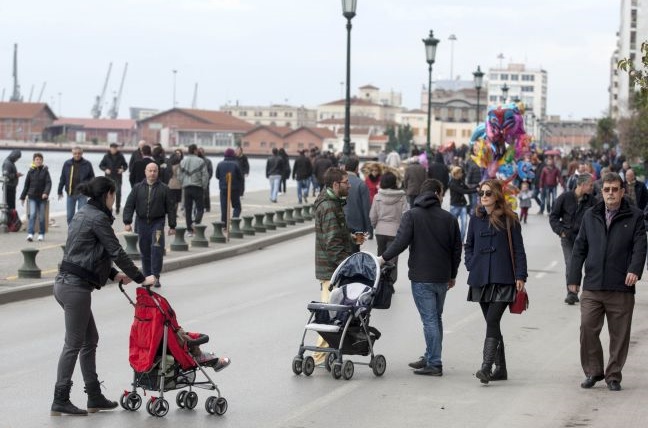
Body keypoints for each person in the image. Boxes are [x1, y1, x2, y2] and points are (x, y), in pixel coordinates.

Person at [52, 176, 156, 416]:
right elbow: (116, 251)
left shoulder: (83, 212)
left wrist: (114, 275)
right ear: (108, 194)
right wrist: (141, 278)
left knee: (90, 340)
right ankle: (60, 398)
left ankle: (94, 395)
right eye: (114, 195)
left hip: (66, 283)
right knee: (74, 344)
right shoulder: (98, 218)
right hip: (75, 288)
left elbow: (84, 252)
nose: (114, 199)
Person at [568, 172, 647, 392]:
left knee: (619, 335)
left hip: (621, 286)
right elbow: (579, 247)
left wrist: (634, 270)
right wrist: (573, 278)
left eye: (615, 189)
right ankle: (593, 371)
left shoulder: (635, 216)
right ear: (601, 191)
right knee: (587, 328)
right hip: (593, 284)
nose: (610, 193)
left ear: (622, 191)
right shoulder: (590, 215)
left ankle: (613, 375)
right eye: (606, 189)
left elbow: (641, 247)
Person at [380, 179, 462, 376]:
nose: (443, 197)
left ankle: (434, 363)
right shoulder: (449, 218)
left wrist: (382, 258)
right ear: (436, 194)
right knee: (435, 318)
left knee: (430, 320)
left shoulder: (412, 216)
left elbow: (400, 242)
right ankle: (430, 355)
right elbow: (456, 250)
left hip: (421, 277)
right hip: (442, 277)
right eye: (442, 193)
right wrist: (452, 275)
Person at [464, 179, 527, 384]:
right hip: (481, 278)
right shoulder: (475, 218)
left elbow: (518, 250)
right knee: (493, 323)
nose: (483, 197)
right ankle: (501, 369)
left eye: (488, 193)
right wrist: (471, 263)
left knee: (492, 320)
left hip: (503, 278)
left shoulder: (511, 219)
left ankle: (486, 367)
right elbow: (469, 245)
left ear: (497, 196)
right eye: (481, 193)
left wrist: (520, 276)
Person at [313, 167, 365, 365]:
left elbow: (334, 236)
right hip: (331, 270)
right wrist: (348, 265)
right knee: (330, 314)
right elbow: (332, 243)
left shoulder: (333, 203)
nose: (349, 185)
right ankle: (319, 356)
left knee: (331, 312)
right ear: (335, 184)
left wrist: (351, 238)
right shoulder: (328, 207)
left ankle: (321, 355)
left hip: (330, 267)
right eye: (346, 182)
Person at [123, 162, 176, 288]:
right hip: (142, 224)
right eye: (150, 171)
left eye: (155, 171)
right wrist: (127, 222)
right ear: (145, 172)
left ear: (158, 172)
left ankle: (155, 276)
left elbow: (171, 208)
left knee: (157, 249)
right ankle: (147, 277)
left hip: (157, 224)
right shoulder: (137, 188)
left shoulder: (164, 188)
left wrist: (172, 226)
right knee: (145, 250)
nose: (152, 173)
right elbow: (129, 205)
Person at [549, 173, 595, 305]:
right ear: (582, 185)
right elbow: (553, 217)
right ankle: (572, 293)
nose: (592, 187)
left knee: (589, 266)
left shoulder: (592, 200)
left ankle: (588, 293)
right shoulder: (565, 197)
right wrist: (561, 231)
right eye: (590, 185)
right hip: (568, 238)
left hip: (585, 239)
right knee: (571, 264)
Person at [369, 171, 408, 285]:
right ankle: (390, 282)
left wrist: (376, 226)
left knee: (380, 257)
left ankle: (379, 281)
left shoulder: (377, 197)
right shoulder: (402, 197)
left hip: (380, 231)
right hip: (395, 232)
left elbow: (373, 215)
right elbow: (405, 215)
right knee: (393, 258)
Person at [58, 147, 95, 225]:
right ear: (72, 153)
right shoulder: (67, 163)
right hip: (70, 193)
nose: (77, 155)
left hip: (82, 193)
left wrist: (89, 189)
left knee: (82, 215)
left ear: (82, 153)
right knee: (69, 216)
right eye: (75, 153)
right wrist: (59, 190)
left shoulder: (87, 164)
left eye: (79, 153)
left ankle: (80, 233)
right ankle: (71, 233)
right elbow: (63, 177)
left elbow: (92, 178)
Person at [19, 152, 51, 241]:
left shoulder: (45, 171)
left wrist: (46, 193)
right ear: (34, 161)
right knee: (32, 215)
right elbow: (26, 185)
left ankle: (41, 234)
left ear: (42, 161)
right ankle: (30, 234)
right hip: (32, 197)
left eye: (40, 160)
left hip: (42, 198)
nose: (38, 161)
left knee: (41, 217)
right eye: (37, 159)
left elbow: (49, 183)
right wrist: (22, 197)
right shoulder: (30, 171)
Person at [179, 144, 209, 237]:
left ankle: (189, 230)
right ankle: (196, 223)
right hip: (198, 187)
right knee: (200, 208)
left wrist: (183, 184)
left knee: (188, 209)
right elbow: (205, 175)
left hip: (187, 187)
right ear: (195, 151)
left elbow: (179, 175)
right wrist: (204, 186)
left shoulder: (183, 161)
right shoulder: (201, 161)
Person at [343, 157, 372, 252]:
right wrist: (369, 228)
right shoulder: (361, 184)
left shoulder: (338, 183)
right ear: (356, 168)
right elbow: (366, 208)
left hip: (341, 224)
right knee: (355, 252)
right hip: (358, 227)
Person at [215, 148, 244, 222]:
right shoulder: (236, 164)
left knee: (224, 207)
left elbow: (217, 176)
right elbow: (240, 177)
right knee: (237, 207)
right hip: (234, 189)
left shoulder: (220, 164)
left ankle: (224, 224)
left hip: (223, 188)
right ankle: (234, 221)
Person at [99, 143, 128, 214]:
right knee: (108, 194)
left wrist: (122, 170)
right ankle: (109, 208)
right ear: (110, 148)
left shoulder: (121, 156)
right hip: (108, 178)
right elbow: (101, 165)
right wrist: (105, 169)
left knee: (118, 193)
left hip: (118, 177)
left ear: (117, 149)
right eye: (112, 148)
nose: (114, 149)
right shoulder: (106, 156)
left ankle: (117, 208)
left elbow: (125, 165)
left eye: (115, 148)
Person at [448, 166, 476, 242]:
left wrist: (476, 187)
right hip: (454, 206)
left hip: (463, 205)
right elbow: (463, 191)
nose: (462, 174)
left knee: (464, 224)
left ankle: (461, 241)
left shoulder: (460, 181)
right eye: (460, 173)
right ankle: (451, 240)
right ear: (456, 174)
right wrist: (475, 190)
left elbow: (467, 189)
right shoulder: (452, 183)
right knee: (452, 225)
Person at [197, 147, 213, 212]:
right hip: (197, 180)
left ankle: (207, 207)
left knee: (206, 194)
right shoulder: (196, 161)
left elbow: (210, 171)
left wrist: (207, 178)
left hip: (206, 180)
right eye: (199, 152)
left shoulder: (208, 161)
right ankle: (201, 207)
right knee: (199, 194)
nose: (200, 153)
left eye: (201, 152)